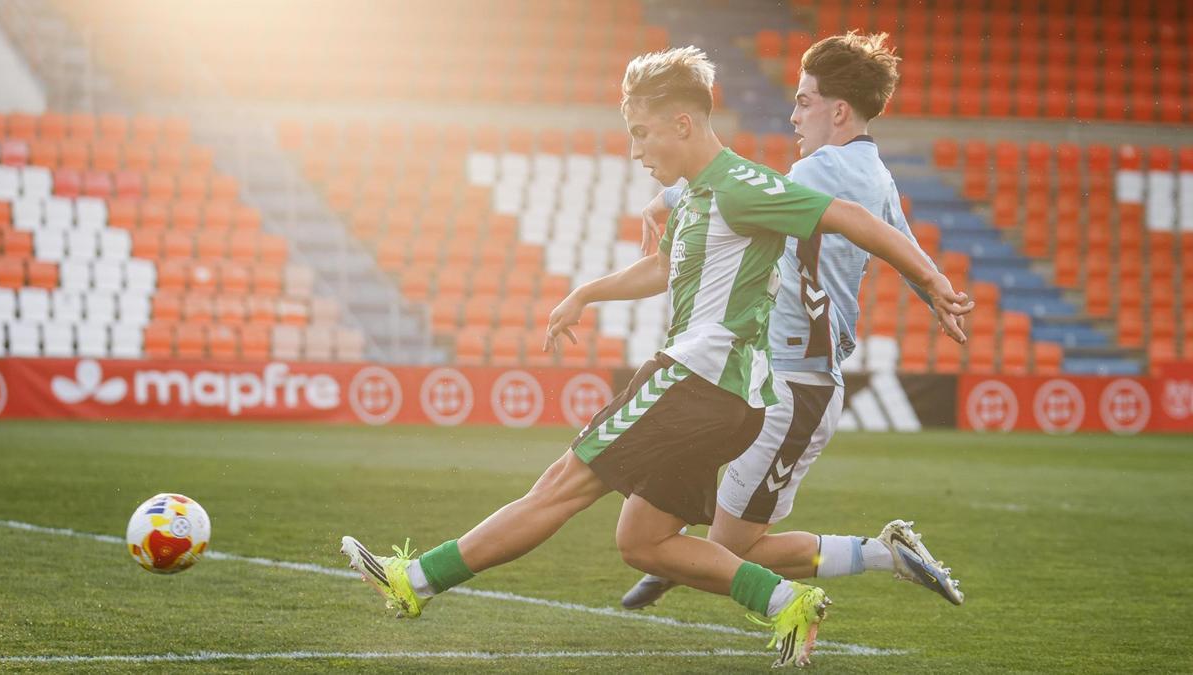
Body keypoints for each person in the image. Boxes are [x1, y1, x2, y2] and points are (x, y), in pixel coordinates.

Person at [340, 45, 972, 668]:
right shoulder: (699, 195)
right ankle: (787, 601)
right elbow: (664, 267)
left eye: (642, 134)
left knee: (560, 487)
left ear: (683, 124)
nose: (636, 151)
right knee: (643, 542)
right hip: (727, 397)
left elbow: (851, 216)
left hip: (696, 380)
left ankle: (415, 580)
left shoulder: (744, 186)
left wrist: (934, 282)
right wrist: (586, 294)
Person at [621, 32, 968, 613]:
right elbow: (900, 244)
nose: (793, 115)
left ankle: (883, 553)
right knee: (716, 544)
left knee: (730, 553)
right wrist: (936, 290)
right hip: (773, 377)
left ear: (839, 111)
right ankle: (665, 557)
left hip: (794, 382)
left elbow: (743, 188)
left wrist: (671, 197)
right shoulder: (875, 174)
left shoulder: (819, 172)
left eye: (804, 101)